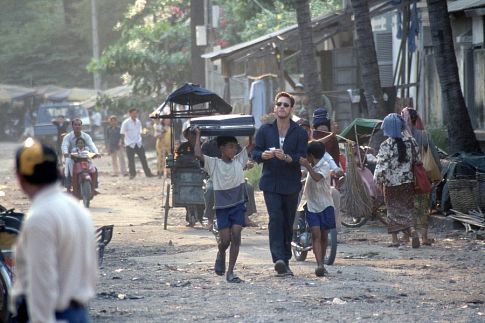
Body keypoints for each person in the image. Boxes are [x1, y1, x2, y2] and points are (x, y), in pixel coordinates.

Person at [11, 139, 97, 322]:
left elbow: (42, 286)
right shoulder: (77, 209)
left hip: (54, 315)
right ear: (58, 172)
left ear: (20, 177)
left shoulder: (39, 218)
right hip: (78, 313)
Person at [252, 91, 308, 276]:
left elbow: (302, 156)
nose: (282, 107)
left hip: (291, 183)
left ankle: (285, 259)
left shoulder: (299, 132)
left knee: (287, 221)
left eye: (286, 105)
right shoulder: (265, 130)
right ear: (274, 108)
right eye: (279, 104)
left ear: (291, 109)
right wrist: (263, 155)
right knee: (275, 217)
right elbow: (255, 153)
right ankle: (278, 259)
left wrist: (287, 158)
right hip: (270, 183)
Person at [194, 129, 253, 283]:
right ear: (221, 149)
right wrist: (198, 136)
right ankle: (221, 253)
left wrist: (250, 131)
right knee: (225, 241)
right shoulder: (213, 163)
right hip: (222, 207)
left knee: (236, 236)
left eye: (235, 147)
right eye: (230, 147)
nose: (234, 150)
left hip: (238, 205)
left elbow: (252, 145)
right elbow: (198, 154)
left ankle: (231, 271)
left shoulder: (240, 160)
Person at [373, 113, 420, 248]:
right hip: (408, 182)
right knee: (407, 208)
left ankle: (394, 240)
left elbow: (381, 166)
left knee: (392, 210)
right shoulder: (412, 141)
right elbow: (418, 161)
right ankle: (411, 231)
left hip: (391, 184)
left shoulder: (386, 145)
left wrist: (377, 180)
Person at [402, 107, 441, 245]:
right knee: (423, 207)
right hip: (422, 175)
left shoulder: (400, 137)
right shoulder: (424, 135)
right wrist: (438, 173)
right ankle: (424, 237)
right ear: (415, 119)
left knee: (407, 206)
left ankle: (407, 236)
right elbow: (434, 155)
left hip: (405, 177)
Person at [299, 142, 335, 277]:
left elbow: (317, 177)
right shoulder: (312, 166)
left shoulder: (325, 166)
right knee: (316, 234)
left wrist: (307, 166)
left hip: (326, 205)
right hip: (312, 205)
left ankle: (322, 263)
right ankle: (319, 264)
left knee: (324, 235)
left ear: (310, 156)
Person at [61, 118, 100, 192]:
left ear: (81, 126)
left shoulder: (86, 136)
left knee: (93, 168)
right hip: (71, 157)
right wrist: (66, 153)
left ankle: (94, 185)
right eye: (75, 125)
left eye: (79, 125)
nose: (77, 126)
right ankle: (69, 186)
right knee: (68, 165)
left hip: (84, 156)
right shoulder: (68, 137)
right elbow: (65, 145)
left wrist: (96, 153)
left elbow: (91, 145)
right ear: (72, 126)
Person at [120, 108, 154, 179]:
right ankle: (132, 174)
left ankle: (148, 173)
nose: (135, 115)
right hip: (129, 143)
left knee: (143, 158)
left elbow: (140, 131)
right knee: (131, 160)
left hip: (138, 142)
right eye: (133, 113)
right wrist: (123, 142)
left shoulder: (138, 122)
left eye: (136, 113)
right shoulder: (126, 122)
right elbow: (122, 133)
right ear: (130, 114)